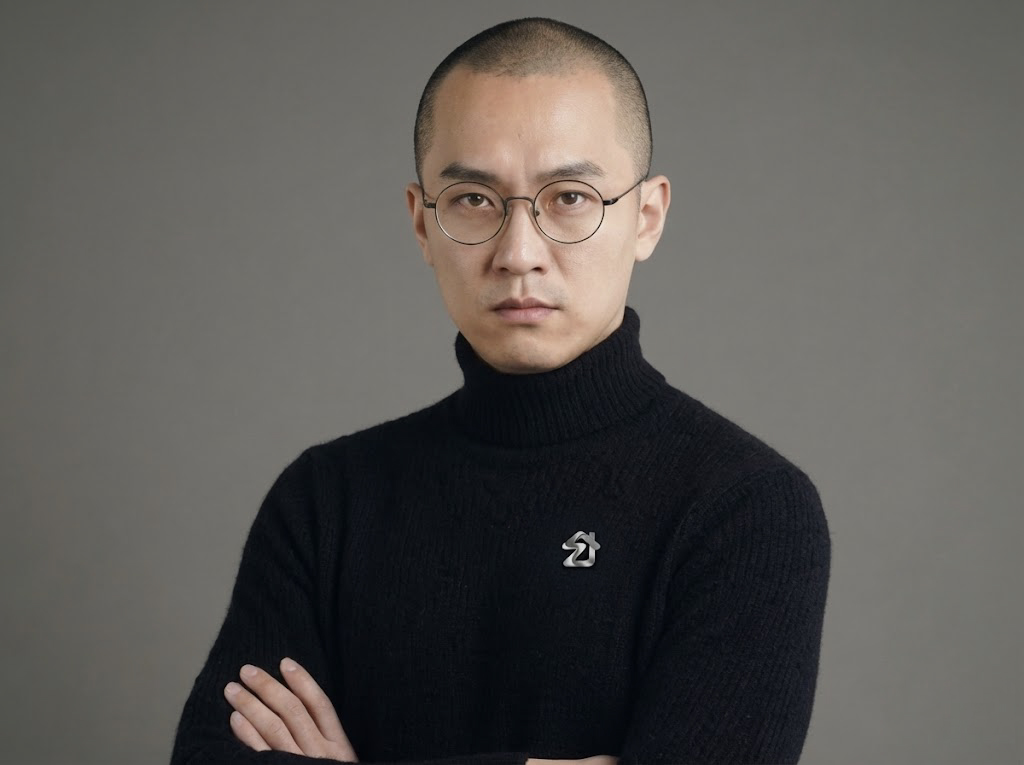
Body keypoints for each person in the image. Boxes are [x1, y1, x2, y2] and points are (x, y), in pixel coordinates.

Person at [170, 16, 831, 765]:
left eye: (570, 196)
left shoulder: (745, 507)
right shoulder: (327, 501)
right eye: (474, 200)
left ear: (646, 218)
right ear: (422, 223)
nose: (519, 253)